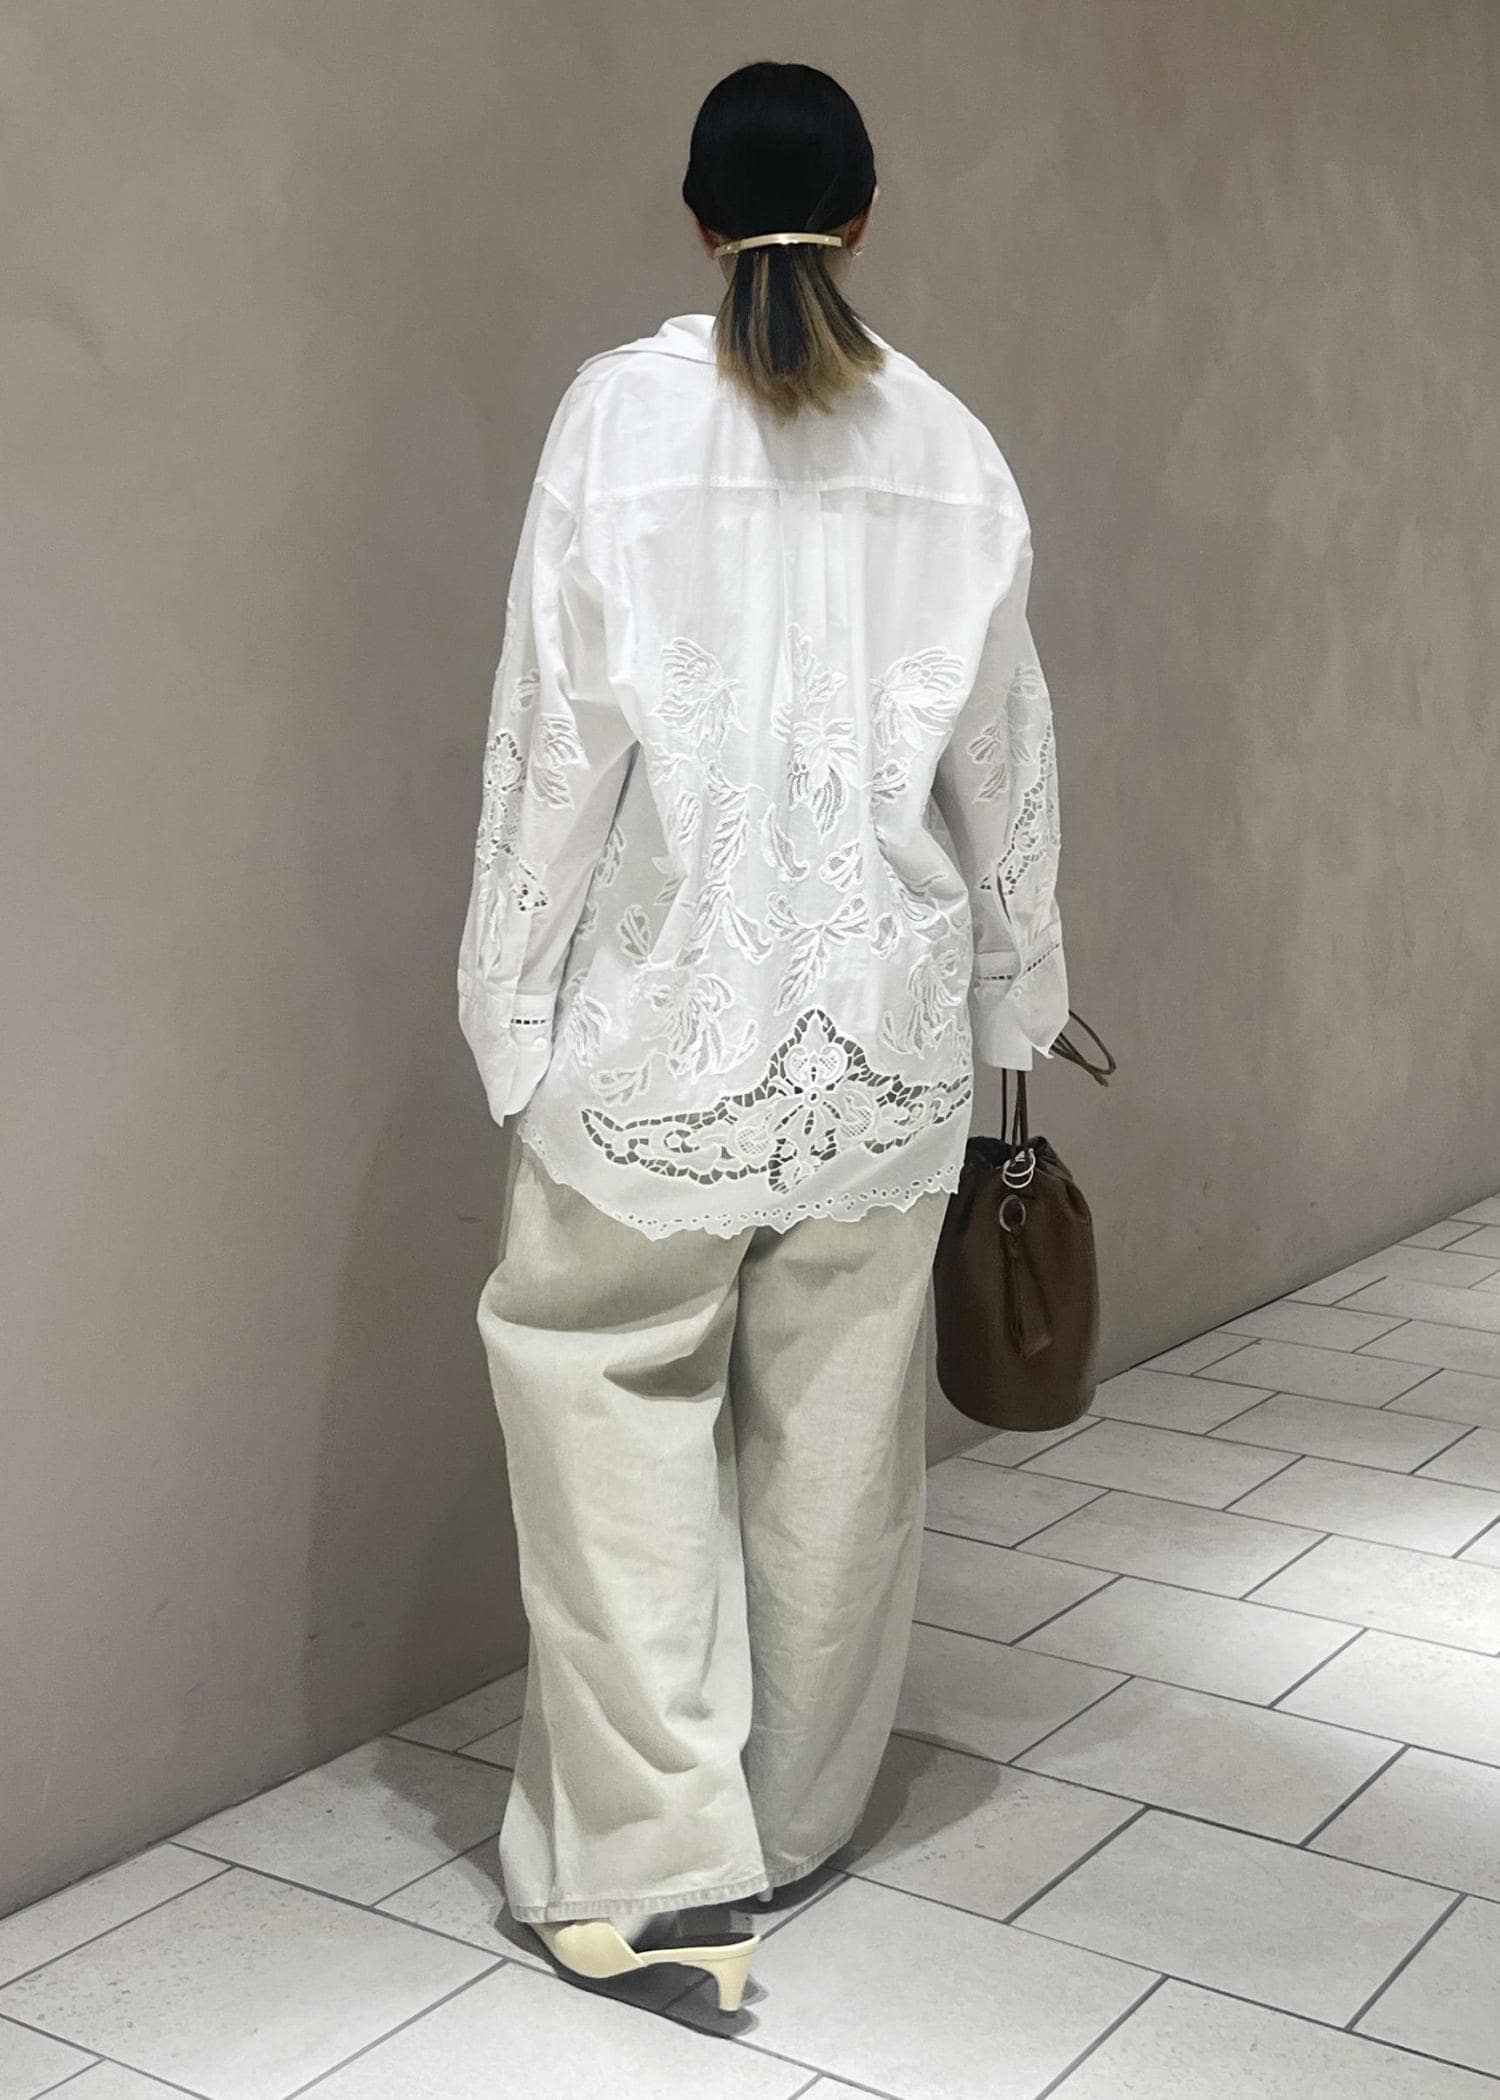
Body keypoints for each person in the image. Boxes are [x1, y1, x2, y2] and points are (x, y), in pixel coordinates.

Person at [457, 59, 1068, 2011]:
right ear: (867, 214)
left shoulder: (618, 420)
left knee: (603, 1409)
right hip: (883, 1049)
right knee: (838, 1449)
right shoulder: (952, 446)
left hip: (657, 1041)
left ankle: (656, 1860)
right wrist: (1018, 1008)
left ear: (697, 215)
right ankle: (792, 1823)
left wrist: (508, 1009)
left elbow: (553, 744)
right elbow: (1011, 770)